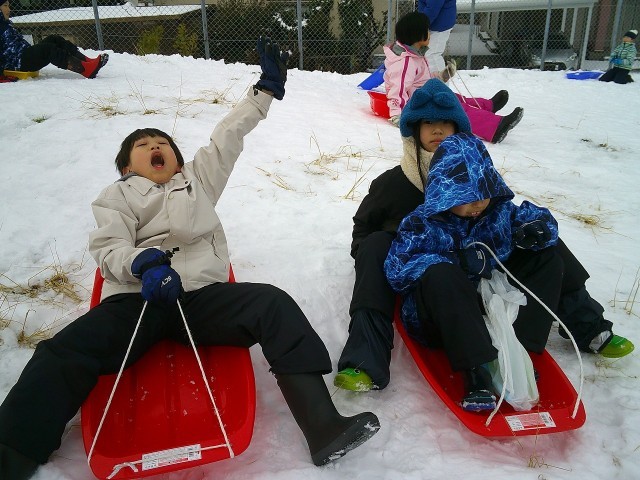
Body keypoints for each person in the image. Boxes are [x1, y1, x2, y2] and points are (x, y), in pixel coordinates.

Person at [0, 37, 379, 480]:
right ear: (127, 167)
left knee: (272, 304)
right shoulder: (116, 196)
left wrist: (264, 91)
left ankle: (323, 425)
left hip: (200, 300)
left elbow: (227, 135)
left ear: (177, 160)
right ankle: (13, 450)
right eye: (143, 144)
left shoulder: (198, 180)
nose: (155, 146)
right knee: (63, 352)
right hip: (137, 301)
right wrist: (143, 263)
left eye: (163, 142)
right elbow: (108, 247)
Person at [333, 78, 633, 394]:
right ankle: (366, 356)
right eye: (428, 123)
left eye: (446, 123)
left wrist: (528, 231)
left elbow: (506, 214)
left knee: (544, 241)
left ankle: (587, 325)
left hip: (479, 264)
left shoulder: (475, 167)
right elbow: (362, 230)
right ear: (413, 131)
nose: (438, 130)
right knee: (374, 246)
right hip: (421, 270)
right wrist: (385, 263)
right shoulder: (394, 183)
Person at [383, 11, 522, 144]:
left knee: (456, 97)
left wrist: (442, 76)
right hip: (418, 104)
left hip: (425, 94)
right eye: (427, 31)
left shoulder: (415, 54)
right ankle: (495, 128)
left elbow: (422, 80)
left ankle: (488, 106)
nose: (430, 34)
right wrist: (397, 115)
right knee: (455, 109)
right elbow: (398, 88)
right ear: (417, 35)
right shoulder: (405, 62)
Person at [0, 0, 108, 78]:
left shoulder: (4, 24)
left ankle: (86, 61)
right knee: (47, 49)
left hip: (22, 55)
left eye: (8, 6)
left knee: (54, 39)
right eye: (5, 6)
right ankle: (84, 69)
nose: (9, 9)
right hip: (18, 63)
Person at [417, 0, 456, 73]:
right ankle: (432, 77)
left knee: (432, 55)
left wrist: (421, 24)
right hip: (434, 23)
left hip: (440, 24)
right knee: (428, 54)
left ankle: (439, 79)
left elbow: (433, 7)